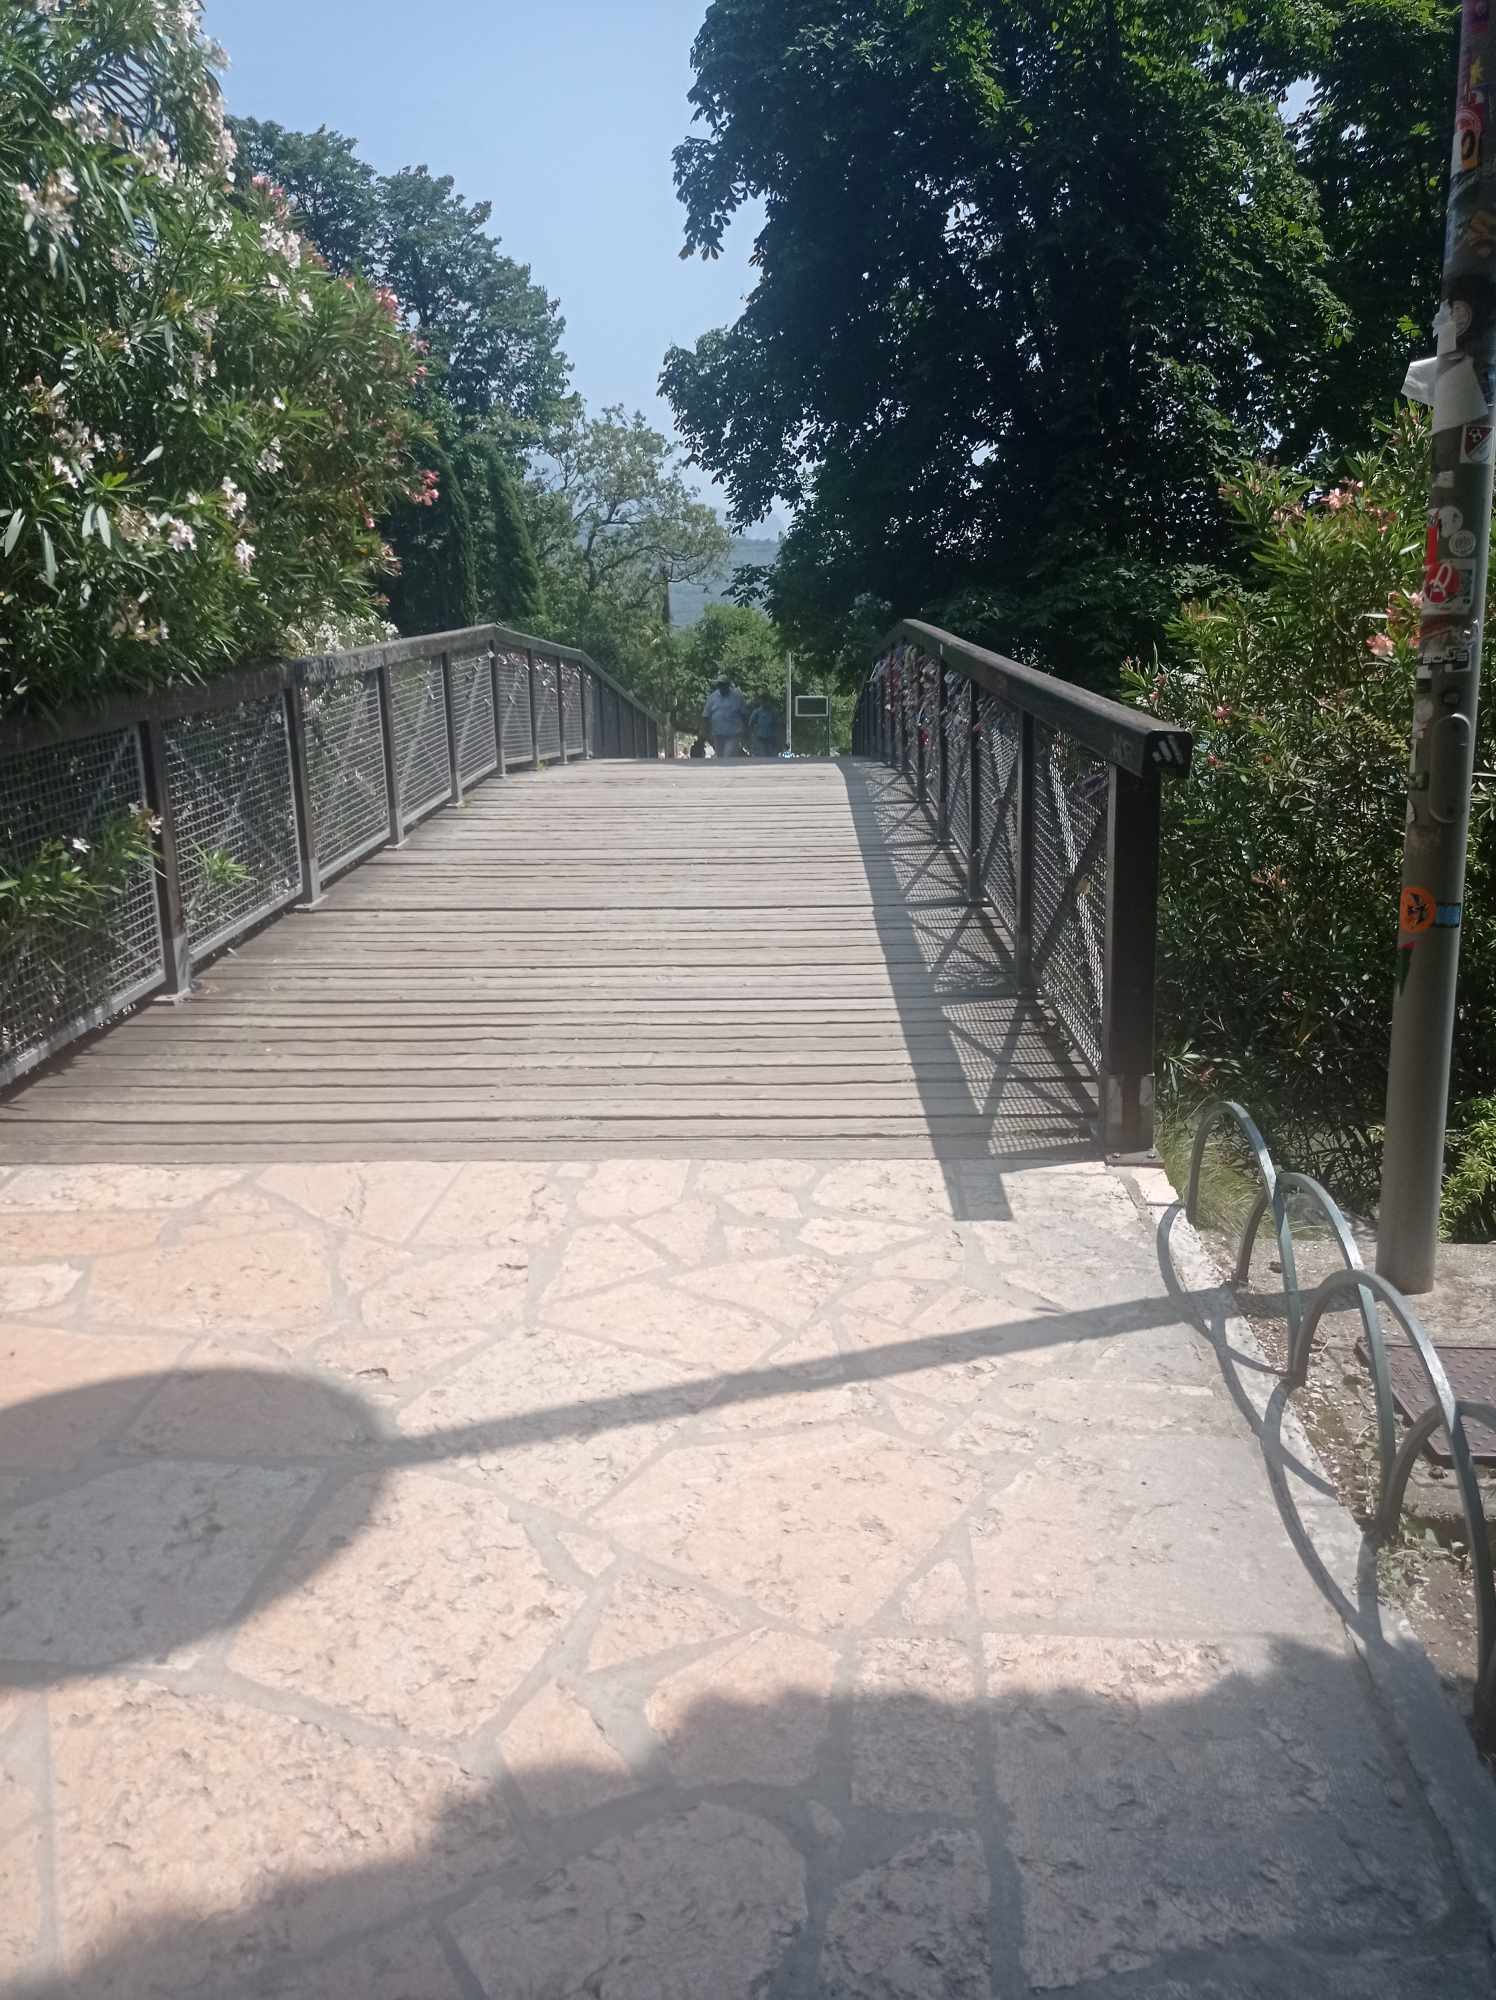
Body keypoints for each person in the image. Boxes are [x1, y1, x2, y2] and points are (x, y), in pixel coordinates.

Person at [702, 676, 748, 762]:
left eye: (724, 684)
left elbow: (744, 714)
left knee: (728, 755)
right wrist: (705, 731)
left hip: (733, 734)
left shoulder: (737, 697)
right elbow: (706, 715)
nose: (722, 687)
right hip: (718, 733)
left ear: (728, 685)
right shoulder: (712, 697)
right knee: (720, 756)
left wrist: (746, 729)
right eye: (720, 684)